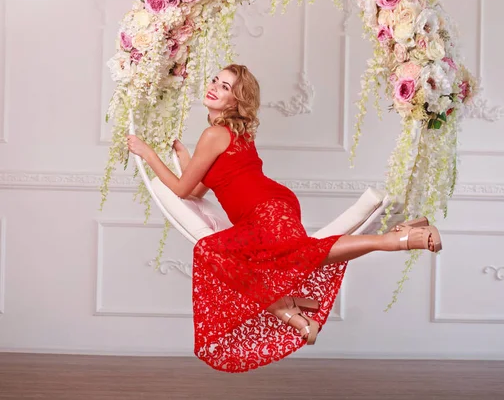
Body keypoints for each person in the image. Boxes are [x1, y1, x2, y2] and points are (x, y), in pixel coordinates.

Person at [126, 64, 441, 373]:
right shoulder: (231, 132)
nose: (214, 88)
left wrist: (147, 153)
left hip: (267, 212)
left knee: (281, 254)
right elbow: (197, 190)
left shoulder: (214, 134)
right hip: (271, 207)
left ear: (236, 101)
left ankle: (393, 240)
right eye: (215, 81)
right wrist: (185, 158)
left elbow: (181, 190)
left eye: (225, 87)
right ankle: (287, 305)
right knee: (285, 256)